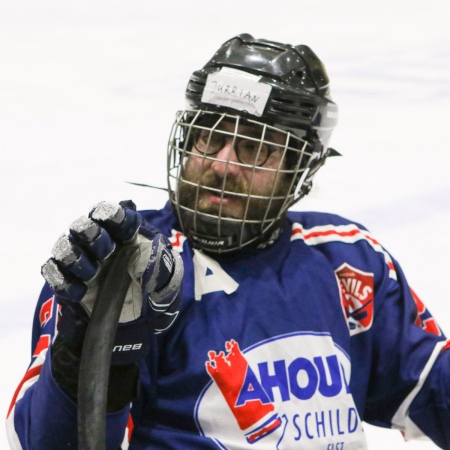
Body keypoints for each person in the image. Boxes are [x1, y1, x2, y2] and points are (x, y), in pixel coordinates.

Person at [6, 33, 450, 450]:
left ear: (303, 167)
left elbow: (437, 391)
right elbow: (45, 443)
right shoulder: (128, 269)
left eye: (255, 148)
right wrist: (88, 352)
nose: (222, 166)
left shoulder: (346, 260)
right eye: (210, 137)